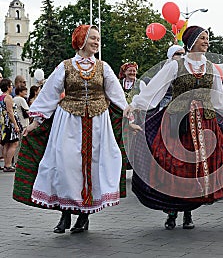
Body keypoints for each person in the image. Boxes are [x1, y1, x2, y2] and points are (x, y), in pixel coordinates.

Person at [14, 24, 128, 234]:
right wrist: (34, 123)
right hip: (68, 123)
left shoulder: (103, 67)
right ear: (81, 40)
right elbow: (48, 95)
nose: (96, 42)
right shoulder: (65, 66)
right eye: (93, 38)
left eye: (98, 39)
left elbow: (116, 95)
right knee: (66, 167)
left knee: (92, 168)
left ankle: (84, 217)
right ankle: (65, 214)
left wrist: (129, 112)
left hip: (97, 124)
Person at [127, 25, 223, 230]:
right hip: (178, 123)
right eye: (203, 38)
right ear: (191, 41)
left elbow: (217, 96)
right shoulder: (175, 66)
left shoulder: (211, 68)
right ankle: (172, 212)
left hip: (205, 124)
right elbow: (155, 89)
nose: (207, 42)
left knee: (193, 170)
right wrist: (136, 104)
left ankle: (188, 212)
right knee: (174, 166)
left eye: (207, 38)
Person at [0, 78, 21, 172]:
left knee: (6, 144)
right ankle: (8, 164)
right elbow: (10, 112)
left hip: (3, 123)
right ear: (8, 87)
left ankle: (6, 164)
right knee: (14, 143)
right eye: (11, 85)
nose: (12, 87)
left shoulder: (1, 96)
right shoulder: (8, 97)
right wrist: (15, 125)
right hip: (9, 123)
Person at [13, 86, 29, 164]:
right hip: (23, 123)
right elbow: (27, 110)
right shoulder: (21, 99)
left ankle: (15, 160)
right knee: (22, 143)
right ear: (20, 92)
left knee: (17, 143)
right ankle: (19, 160)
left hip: (17, 122)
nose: (26, 93)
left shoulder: (14, 99)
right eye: (24, 91)